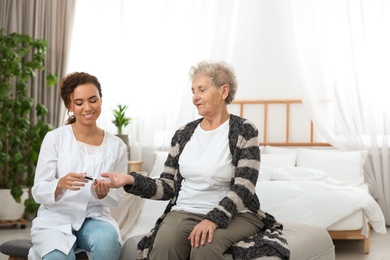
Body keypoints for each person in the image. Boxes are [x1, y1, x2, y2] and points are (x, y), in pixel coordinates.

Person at [102, 61, 290, 260]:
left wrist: (213, 219)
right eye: (193, 91)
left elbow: (244, 187)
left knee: (205, 246)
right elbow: (167, 186)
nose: (195, 97)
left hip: (237, 214)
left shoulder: (244, 130)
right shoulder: (183, 134)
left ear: (223, 91)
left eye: (201, 89)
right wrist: (130, 180)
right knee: (163, 244)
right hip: (186, 210)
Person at [28, 72, 128, 260]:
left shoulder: (117, 146)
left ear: (100, 99)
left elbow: (118, 197)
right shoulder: (55, 138)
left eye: (93, 100)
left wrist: (103, 194)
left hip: (94, 217)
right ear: (70, 106)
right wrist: (59, 184)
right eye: (79, 103)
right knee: (57, 257)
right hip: (55, 220)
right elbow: (38, 190)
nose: (87, 108)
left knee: (107, 243)